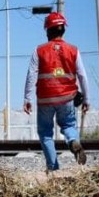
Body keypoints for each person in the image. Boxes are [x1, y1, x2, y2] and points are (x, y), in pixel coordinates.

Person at [23, 11, 90, 171]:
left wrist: (27, 98)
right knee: (68, 125)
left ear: (47, 31)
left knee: (45, 133)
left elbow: (31, 75)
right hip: (67, 98)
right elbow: (82, 75)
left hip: (45, 99)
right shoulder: (73, 50)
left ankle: (53, 168)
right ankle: (73, 140)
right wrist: (86, 99)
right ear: (63, 30)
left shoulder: (39, 51)